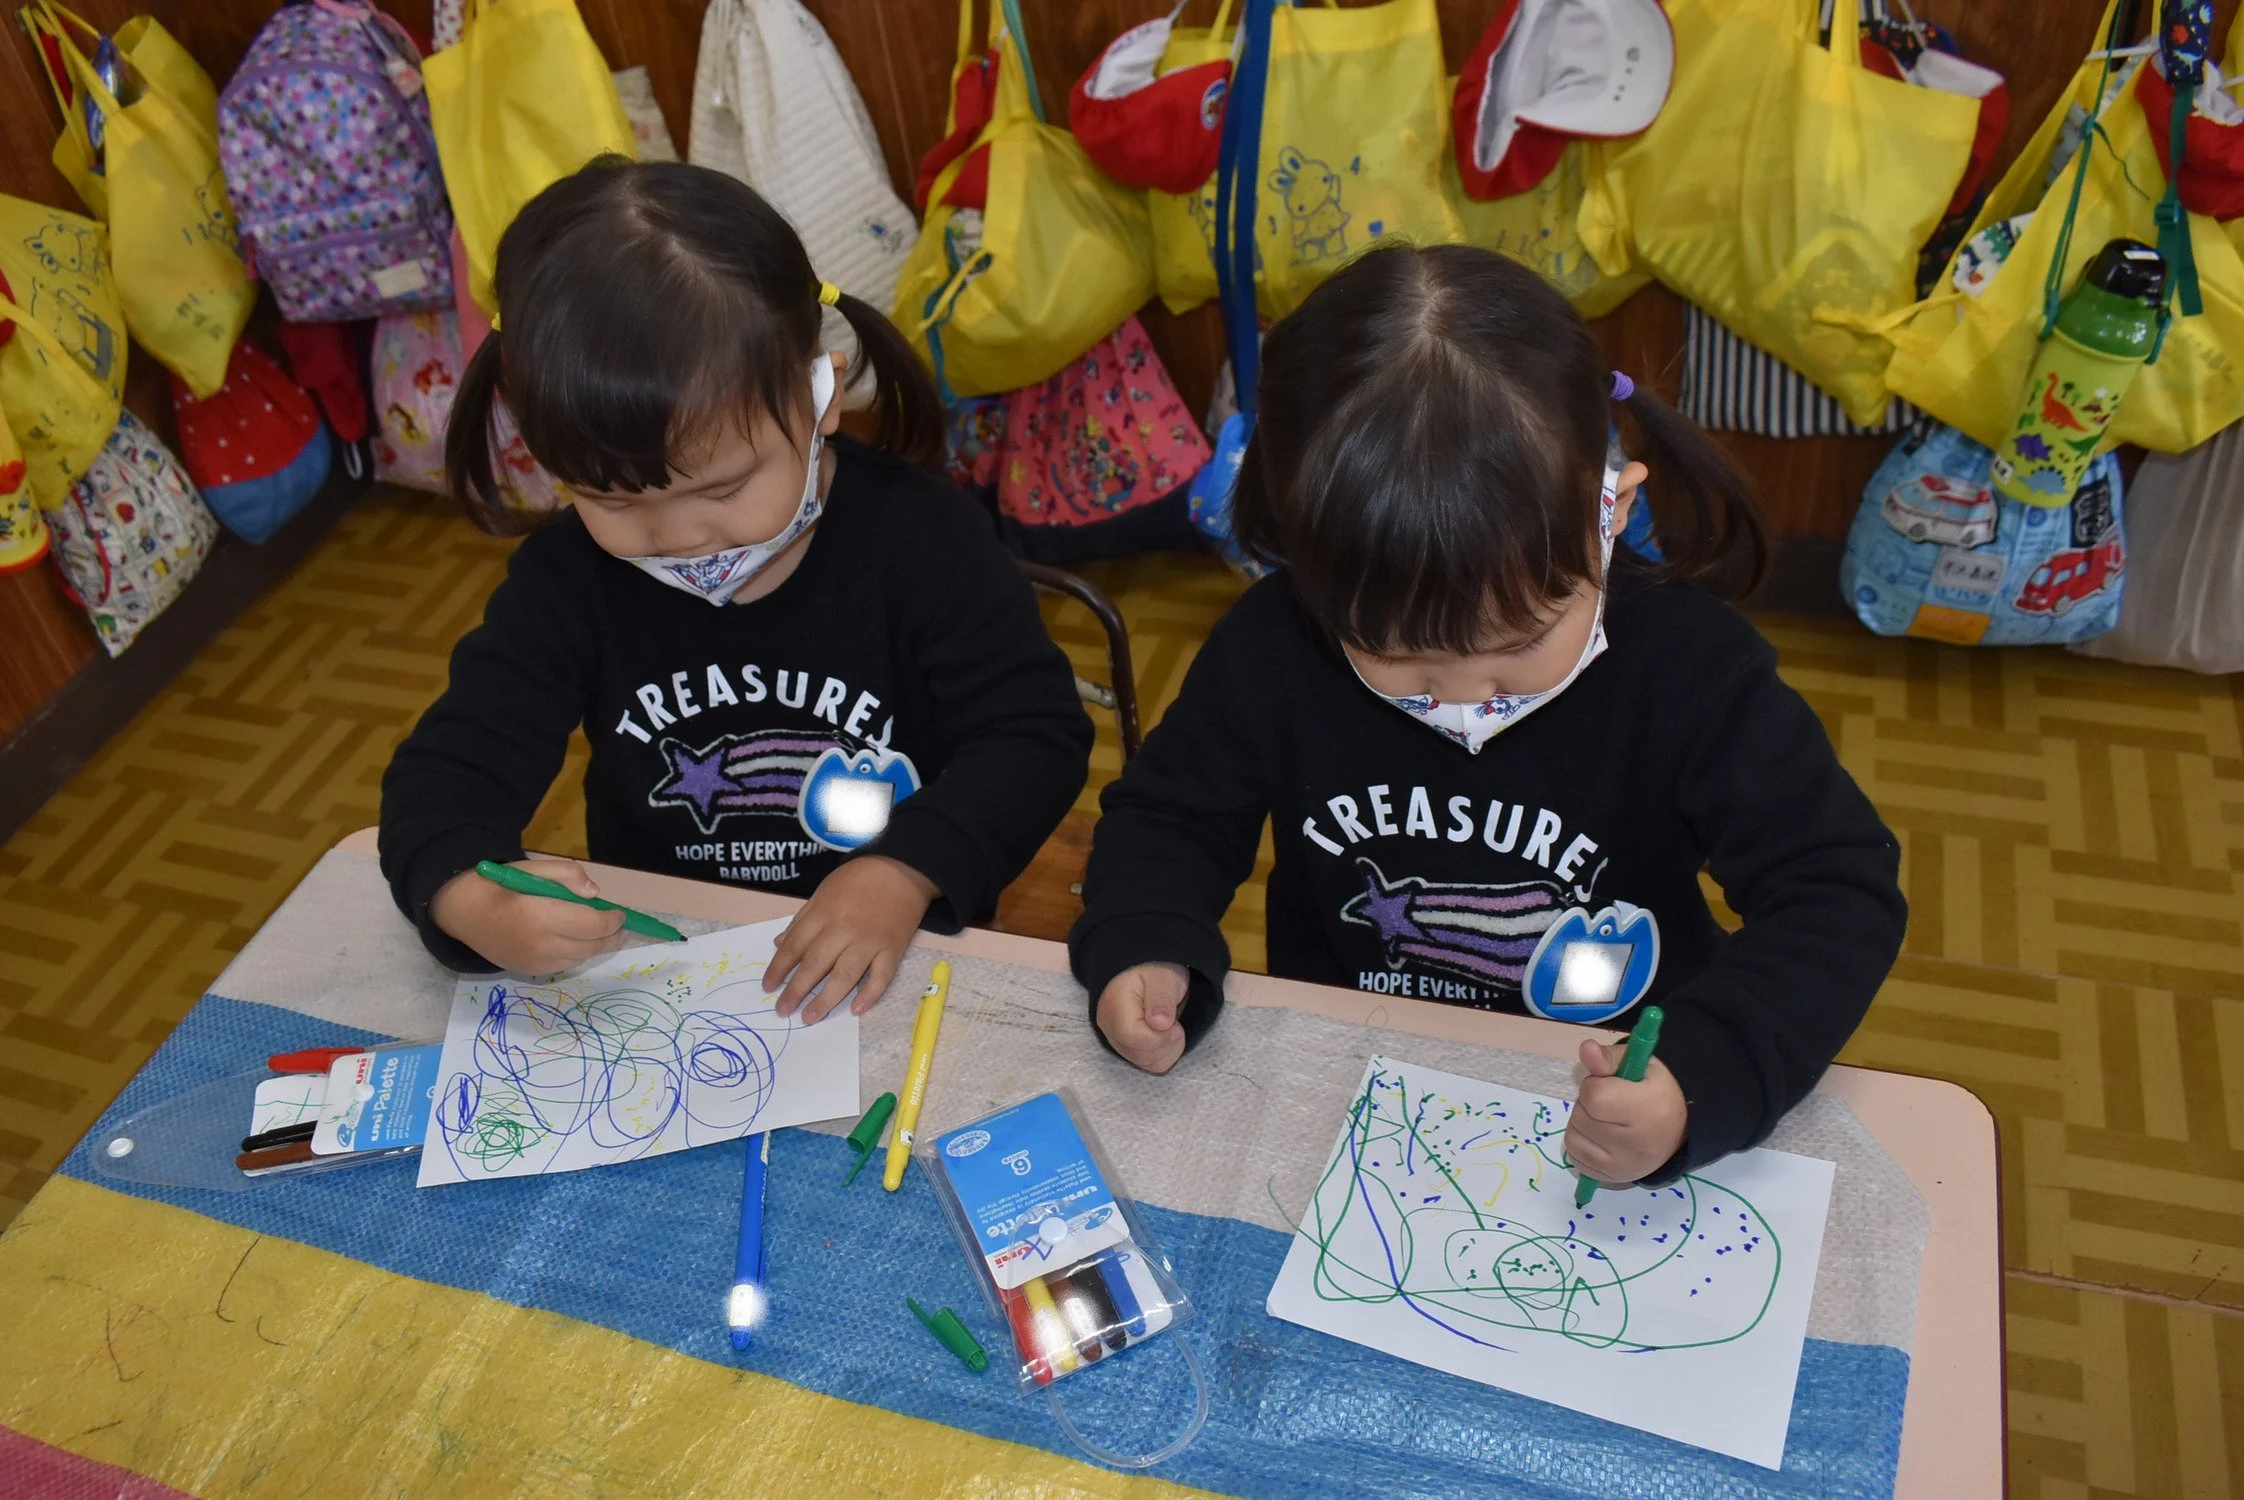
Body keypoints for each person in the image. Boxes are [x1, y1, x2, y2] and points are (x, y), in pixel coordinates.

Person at [1071, 244, 1905, 1186]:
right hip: (1357, 1068)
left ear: (1609, 509)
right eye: (1400, 655)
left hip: (1610, 1079)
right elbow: (1173, 816)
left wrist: (1703, 1075)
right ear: (1309, 568)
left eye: (1520, 643)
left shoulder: (1690, 670)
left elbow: (1837, 893)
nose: (1467, 695)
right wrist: (1146, 936)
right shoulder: (1276, 644)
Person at [380, 158, 1091, 1020]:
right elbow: (447, 774)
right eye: (613, 500)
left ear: (820, 395)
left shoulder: (923, 540)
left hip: (902, 943)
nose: (680, 536)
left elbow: (1035, 736)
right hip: (677, 955)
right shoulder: (566, 583)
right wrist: (467, 896)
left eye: (722, 489)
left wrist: (908, 870)